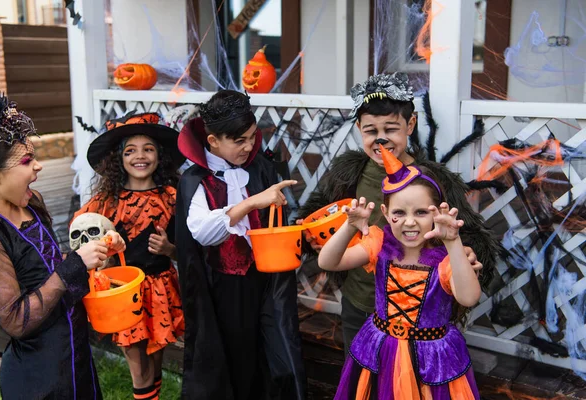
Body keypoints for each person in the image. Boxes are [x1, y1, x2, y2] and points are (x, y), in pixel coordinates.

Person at [297, 73, 499, 354]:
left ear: (410, 124)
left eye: (391, 129)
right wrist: (308, 232)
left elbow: (467, 233)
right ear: (359, 129)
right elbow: (322, 210)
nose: (381, 138)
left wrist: (469, 253)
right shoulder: (349, 172)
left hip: (416, 314)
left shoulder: (430, 180)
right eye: (371, 131)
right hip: (360, 301)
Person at [0, 92, 125, 398]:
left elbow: (48, 265)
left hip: (73, 353)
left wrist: (97, 253)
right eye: (26, 161)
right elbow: (16, 320)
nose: (38, 167)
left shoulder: (32, 203)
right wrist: (74, 264)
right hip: (38, 376)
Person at [318, 147, 481, 398]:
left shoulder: (449, 261)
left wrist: (453, 243)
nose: (409, 222)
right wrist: (350, 228)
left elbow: (469, 298)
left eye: (421, 212)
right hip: (382, 352)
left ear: (436, 212)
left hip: (430, 361)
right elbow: (328, 262)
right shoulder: (378, 245)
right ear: (385, 214)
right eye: (399, 212)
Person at [175, 90, 306, 400]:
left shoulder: (259, 167)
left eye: (252, 137)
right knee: (233, 355)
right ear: (213, 142)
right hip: (222, 286)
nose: (249, 146)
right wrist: (249, 204)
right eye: (239, 141)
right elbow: (204, 233)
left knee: (270, 351)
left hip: (265, 280)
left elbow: (275, 218)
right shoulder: (196, 180)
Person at [72, 112, 185, 400]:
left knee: (156, 359)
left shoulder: (173, 196)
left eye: (148, 149)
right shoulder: (106, 202)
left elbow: (191, 247)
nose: (140, 156)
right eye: (130, 150)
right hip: (123, 291)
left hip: (161, 287)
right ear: (118, 159)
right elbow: (81, 239)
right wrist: (105, 253)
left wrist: (170, 249)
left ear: (159, 155)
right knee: (138, 363)